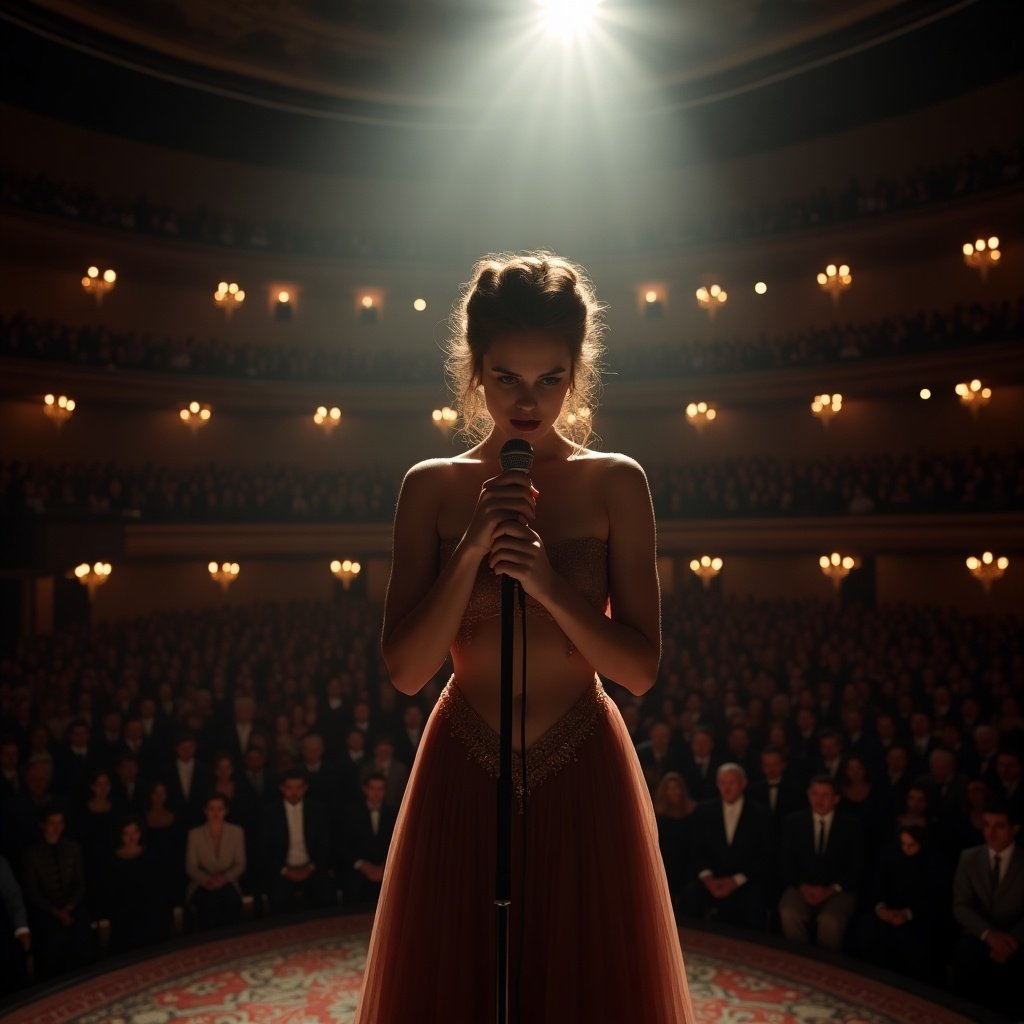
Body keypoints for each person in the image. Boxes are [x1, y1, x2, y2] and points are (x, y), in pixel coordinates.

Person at [355, 252, 693, 1023]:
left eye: (551, 377)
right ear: (474, 371)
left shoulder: (617, 481)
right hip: (462, 764)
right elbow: (407, 671)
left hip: (584, 761)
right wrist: (473, 545)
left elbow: (638, 669)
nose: (529, 399)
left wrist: (545, 581)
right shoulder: (430, 486)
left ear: (578, 373)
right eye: (507, 376)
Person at [950, 802, 1024, 1018]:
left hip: (1015, 938)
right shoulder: (969, 858)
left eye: (999, 826)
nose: (990, 832)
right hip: (978, 934)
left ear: (1014, 829)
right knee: (966, 960)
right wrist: (989, 935)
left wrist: (1009, 941)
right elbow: (961, 905)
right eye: (986, 825)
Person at [184, 793, 245, 930]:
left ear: (226, 811)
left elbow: (240, 864)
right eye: (212, 809)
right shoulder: (194, 834)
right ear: (205, 811)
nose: (216, 813)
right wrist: (207, 880)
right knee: (208, 905)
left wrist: (224, 879)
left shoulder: (237, 832)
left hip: (228, 881)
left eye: (220, 808)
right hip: (202, 883)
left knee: (230, 903)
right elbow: (191, 867)